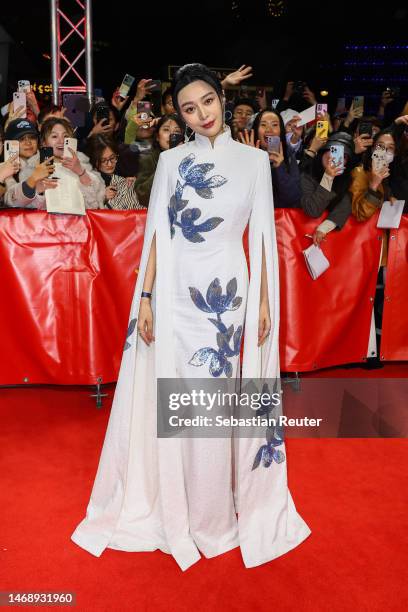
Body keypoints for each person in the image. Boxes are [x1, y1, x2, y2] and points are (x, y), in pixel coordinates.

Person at [71, 62, 311, 571]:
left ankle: (215, 511)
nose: (201, 113)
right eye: (188, 107)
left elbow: (265, 238)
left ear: (223, 100)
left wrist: (266, 301)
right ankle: (178, 503)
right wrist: (146, 297)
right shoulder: (173, 161)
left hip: (229, 294)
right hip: (177, 294)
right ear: (177, 115)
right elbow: (158, 235)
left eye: (207, 101)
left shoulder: (253, 162)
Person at [239, 108, 301, 207]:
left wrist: (280, 168)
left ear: (281, 130)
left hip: (278, 218)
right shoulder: (243, 153)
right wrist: (250, 162)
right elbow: (239, 196)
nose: (269, 129)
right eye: (263, 125)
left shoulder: (288, 155)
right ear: (255, 129)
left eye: (275, 125)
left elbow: (293, 198)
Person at [299, 132, 354, 245]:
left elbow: (345, 204)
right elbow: (313, 210)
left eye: (343, 156)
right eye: (334, 151)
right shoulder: (307, 174)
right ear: (323, 152)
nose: (335, 158)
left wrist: (324, 228)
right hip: (295, 237)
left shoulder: (344, 180)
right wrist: (328, 177)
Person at [133, 113, 184, 208]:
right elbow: (143, 196)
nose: (171, 135)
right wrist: (168, 160)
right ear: (157, 136)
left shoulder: (188, 157)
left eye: (176, 131)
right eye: (166, 130)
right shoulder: (148, 158)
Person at [86, 135, 143, 210]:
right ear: (93, 161)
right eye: (103, 161)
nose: (109, 164)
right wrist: (102, 198)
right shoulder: (89, 180)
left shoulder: (126, 165)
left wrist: (138, 182)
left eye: (112, 158)